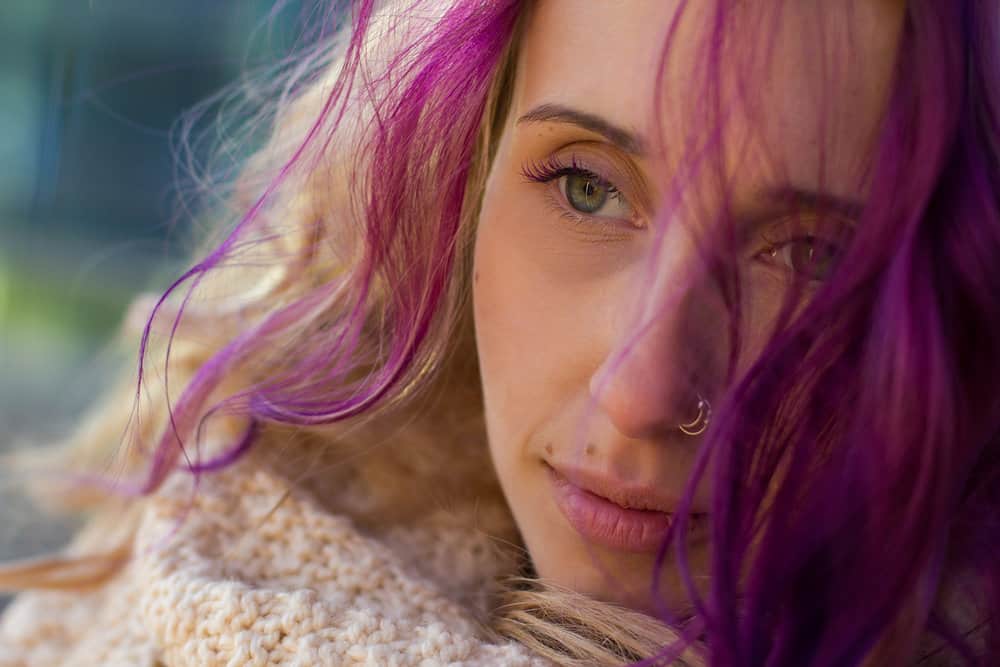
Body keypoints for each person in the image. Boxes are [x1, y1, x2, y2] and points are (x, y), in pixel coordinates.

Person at [0, 0, 997, 664]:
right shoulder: (145, 611)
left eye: (810, 254)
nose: (641, 390)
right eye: (585, 186)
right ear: (458, 182)